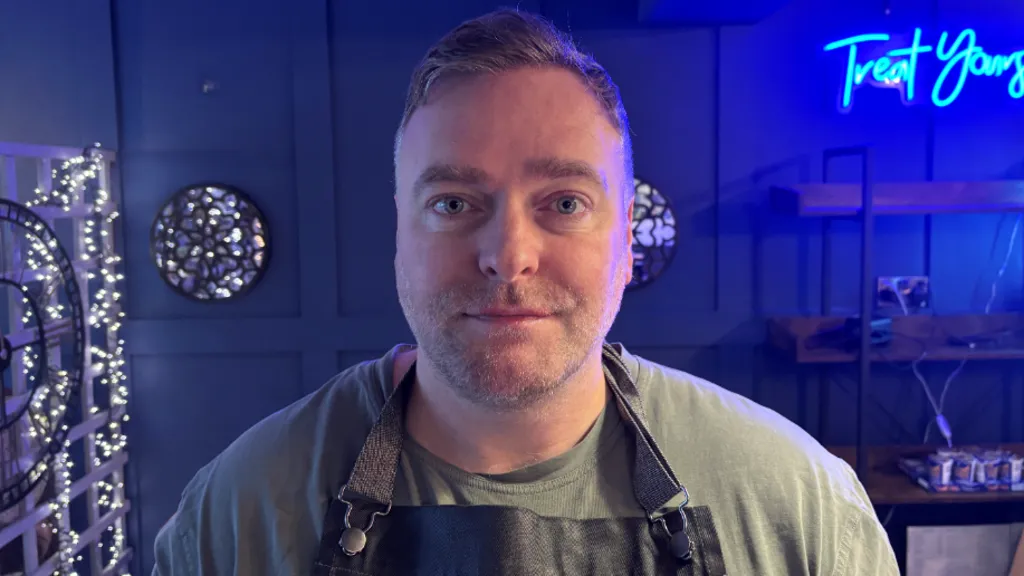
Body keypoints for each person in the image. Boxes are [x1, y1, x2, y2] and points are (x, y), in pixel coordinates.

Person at [152, 8, 899, 576]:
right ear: (400, 236)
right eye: (453, 202)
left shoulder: (799, 507)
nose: (508, 257)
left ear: (626, 239)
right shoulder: (238, 513)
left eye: (565, 203)